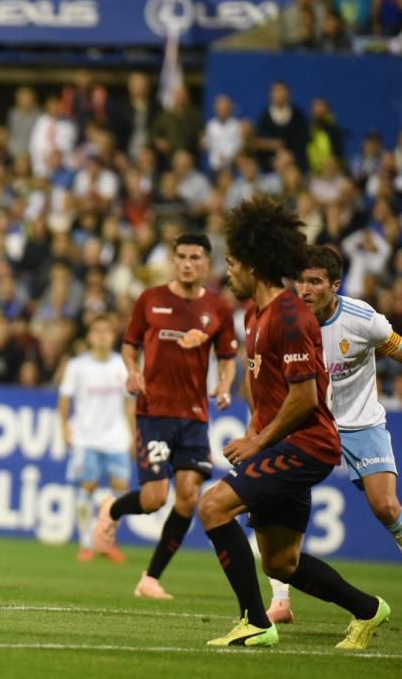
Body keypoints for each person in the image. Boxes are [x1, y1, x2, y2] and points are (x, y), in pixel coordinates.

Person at [200, 196, 388, 649]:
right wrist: (253, 430)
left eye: (232, 263)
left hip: (308, 443)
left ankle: (255, 621)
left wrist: (259, 441)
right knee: (280, 564)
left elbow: (305, 399)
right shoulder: (256, 315)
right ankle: (368, 609)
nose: (227, 272)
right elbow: (263, 385)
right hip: (278, 442)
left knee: (213, 507)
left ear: (253, 264)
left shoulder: (291, 315)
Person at [93, 233, 238, 599]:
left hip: (193, 416)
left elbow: (228, 360)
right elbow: (130, 345)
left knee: (189, 497)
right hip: (154, 411)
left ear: (207, 262)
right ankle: (113, 508)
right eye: (182, 257)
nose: (188, 263)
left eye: (195, 257)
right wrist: (131, 370)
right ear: (174, 261)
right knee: (156, 498)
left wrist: (223, 386)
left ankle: (151, 578)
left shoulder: (218, 309)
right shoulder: (151, 299)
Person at [266, 245, 402, 624]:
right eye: (301, 282)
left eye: (315, 282)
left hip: (360, 423)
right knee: (277, 507)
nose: (305, 290)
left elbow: (395, 346)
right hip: (308, 426)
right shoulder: (287, 322)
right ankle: (280, 602)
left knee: (387, 507)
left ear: (335, 285)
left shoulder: (363, 319)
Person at [59, 315, 134, 562]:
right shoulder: (77, 366)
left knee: (121, 491)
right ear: (90, 336)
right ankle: (86, 543)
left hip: (116, 438)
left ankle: (107, 541)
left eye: (106, 331)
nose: (102, 336)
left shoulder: (122, 366)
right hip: (86, 438)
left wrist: (133, 435)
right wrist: (65, 429)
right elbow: (65, 399)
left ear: (113, 336)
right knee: (87, 487)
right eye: (97, 331)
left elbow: (128, 404)